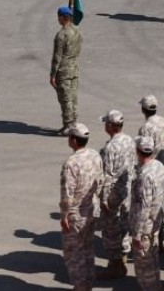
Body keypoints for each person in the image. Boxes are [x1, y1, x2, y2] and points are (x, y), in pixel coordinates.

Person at [60, 122, 104, 291]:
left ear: (74, 140)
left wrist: (64, 216)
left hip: (76, 215)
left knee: (74, 253)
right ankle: (88, 284)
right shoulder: (95, 155)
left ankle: (81, 286)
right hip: (92, 210)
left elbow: (67, 194)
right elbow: (100, 181)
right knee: (87, 248)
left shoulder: (71, 163)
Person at [98, 110, 136, 280]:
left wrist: (104, 198)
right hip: (127, 189)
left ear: (111, 126)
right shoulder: (129, 140)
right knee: (123, 225)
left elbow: (107, 175)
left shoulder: (110, 147)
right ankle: (123, 257)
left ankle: (116, 265)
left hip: (114, 193)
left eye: (106, 123)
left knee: (110, 229)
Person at [128, 135, 164, 291]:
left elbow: (144, 206)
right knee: (152, 257)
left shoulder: (144, 175)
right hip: (156, 220)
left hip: (145, 225)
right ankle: (156, 285)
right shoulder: (159, 166)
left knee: (144, 263)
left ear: (138, 151)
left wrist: (137, 233)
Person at [50, 5, 82, 132]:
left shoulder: (61, 35)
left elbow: (57, 57)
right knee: (73, 97)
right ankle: (74, 121)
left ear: (64, 18)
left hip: (64, 70)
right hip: (74, 68)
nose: (58, 19)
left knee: (65, 98)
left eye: (59, 17)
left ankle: (68, 125)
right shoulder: (77, 30)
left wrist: (53, 75)